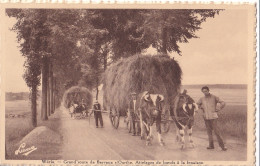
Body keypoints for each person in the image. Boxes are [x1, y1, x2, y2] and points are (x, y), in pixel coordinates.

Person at [197, 86, 227, 151]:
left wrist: (219, 108)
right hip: (206, 118)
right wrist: (201, 107)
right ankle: (211, 146)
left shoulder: (214, 97)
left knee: (217, 132)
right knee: (209, 132)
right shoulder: (202, 98)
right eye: (203, 91)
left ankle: (222, 146)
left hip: (213, 117)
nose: (205, 92)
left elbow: (223, 102)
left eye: (206, 91)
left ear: (208, 90)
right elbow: (197, 104)